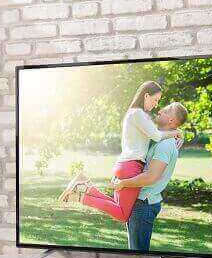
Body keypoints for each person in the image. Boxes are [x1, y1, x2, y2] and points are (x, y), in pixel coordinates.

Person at [58, 81, 182, 222]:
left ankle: (85, 185)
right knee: (122, 214)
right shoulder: (138, 114)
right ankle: (81, 196)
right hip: (132, 166)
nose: (156, 105)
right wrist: (176, 132)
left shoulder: (135, 114)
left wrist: (174, 134)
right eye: (155, 100)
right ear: (146, 96)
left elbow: (155, 135)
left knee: (118, 207)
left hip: (125, 164)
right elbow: (157, 135)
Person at [112, 102, 189, 252]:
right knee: (135, 253)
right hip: (140, 202)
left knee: (138, 257)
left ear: (172, 121)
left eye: (165, 111)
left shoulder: (165, 145)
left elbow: (151, 177)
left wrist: (123, 183)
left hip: (144, 205)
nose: (159, 110)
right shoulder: (158, 139)